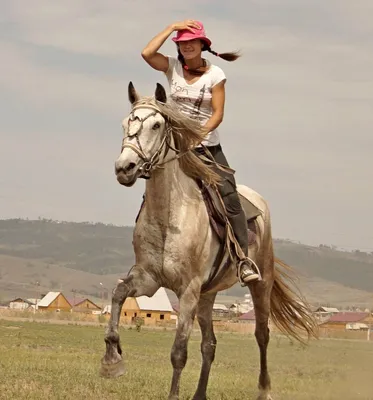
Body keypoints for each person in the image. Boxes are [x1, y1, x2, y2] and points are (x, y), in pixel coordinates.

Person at [141, 20, 259, 284]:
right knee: (151, 183)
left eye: (191, 42)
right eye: (182, 43)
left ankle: (242, 260)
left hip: (207, 146)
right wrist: (171, 27)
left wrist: (198, 135)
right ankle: (148, 250)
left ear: (202, 45)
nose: (186, 46)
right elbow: (147, 54)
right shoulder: (172, 67)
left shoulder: (215, 75)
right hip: (173, 146)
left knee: (229, 196)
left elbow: (218, 113)